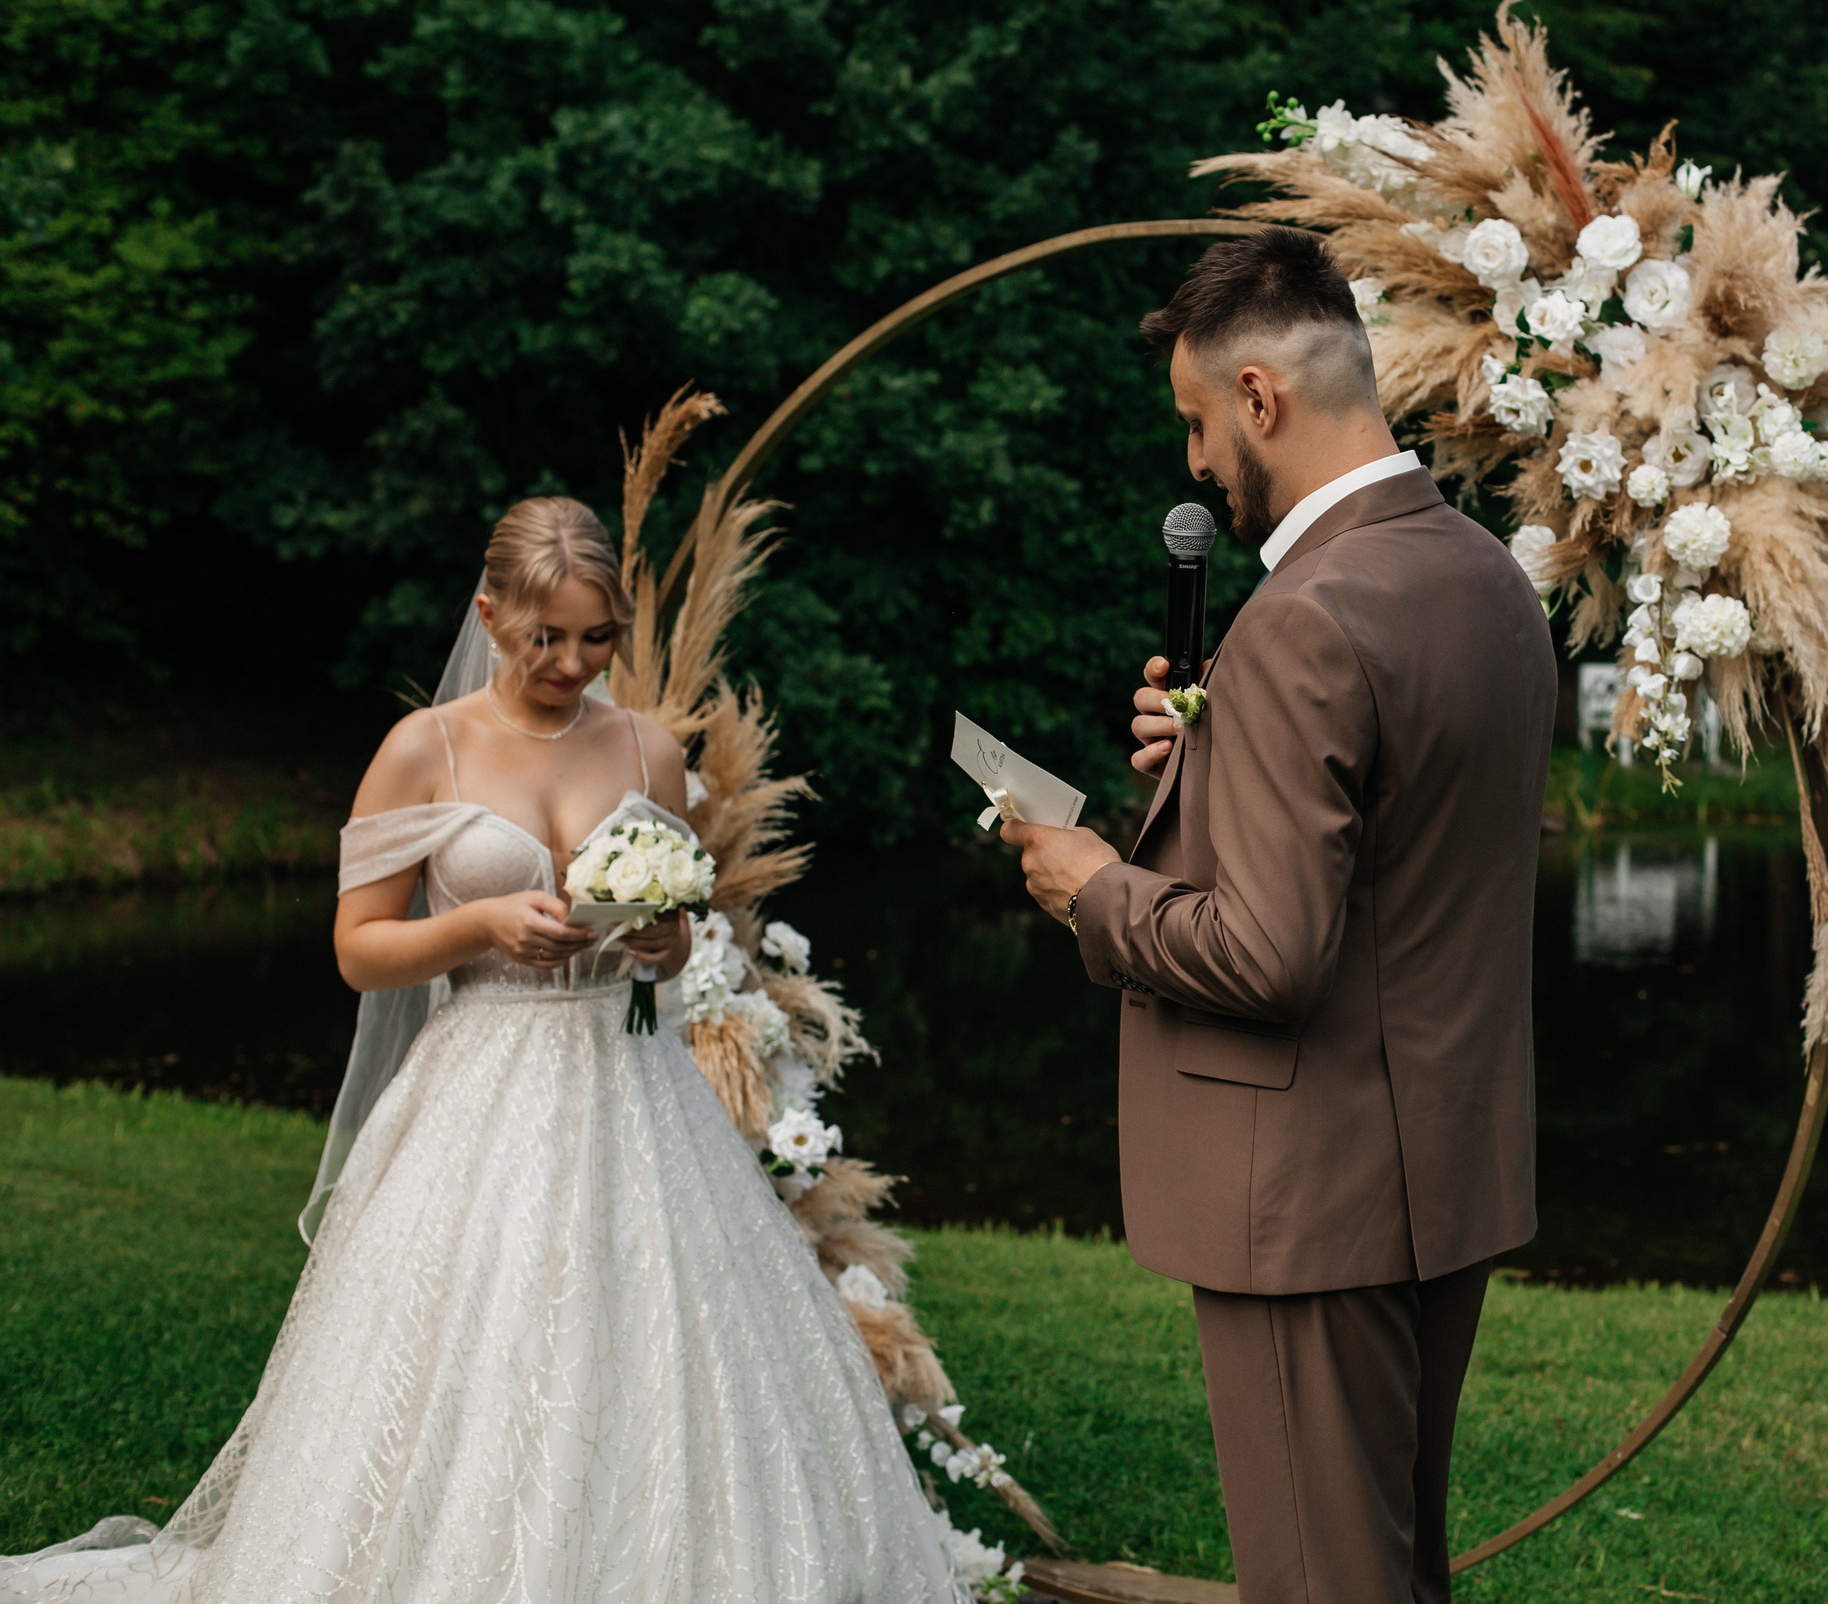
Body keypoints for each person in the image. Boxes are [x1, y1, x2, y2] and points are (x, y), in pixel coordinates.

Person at [1, 499, 964, 1604]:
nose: (569, 661)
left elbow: (673, 939)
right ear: (488, 614)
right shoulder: (427, 748)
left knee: (659, 1337)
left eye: (595, 637)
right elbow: (359, 950)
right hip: (482, 1084)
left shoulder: (646, 748)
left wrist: (664, 938)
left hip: (635, 1089)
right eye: (542, 636)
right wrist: (478, 926)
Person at [1004, 229, 1554, 1604]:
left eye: (1198, 423)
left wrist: (1094, 886)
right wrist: (1209, 756)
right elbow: (1407, 838)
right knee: (1391, 1567)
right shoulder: (1485, 578)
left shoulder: (1300, 618)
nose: (1195, 465)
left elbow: (1268, 951)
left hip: (1305, 1187)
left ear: (1259, 399)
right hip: (1440, 1167)